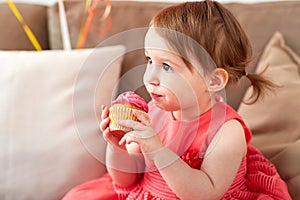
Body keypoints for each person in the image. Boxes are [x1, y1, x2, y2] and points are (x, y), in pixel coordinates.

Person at [63, 1, 292, 199]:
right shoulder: (153, 113)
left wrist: (156, 149)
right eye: (149, 60)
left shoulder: (227, 132)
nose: (150, 77)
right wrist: (117, 148)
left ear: (213, 81)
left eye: (167, 66)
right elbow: (125, 181)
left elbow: (205, 193)